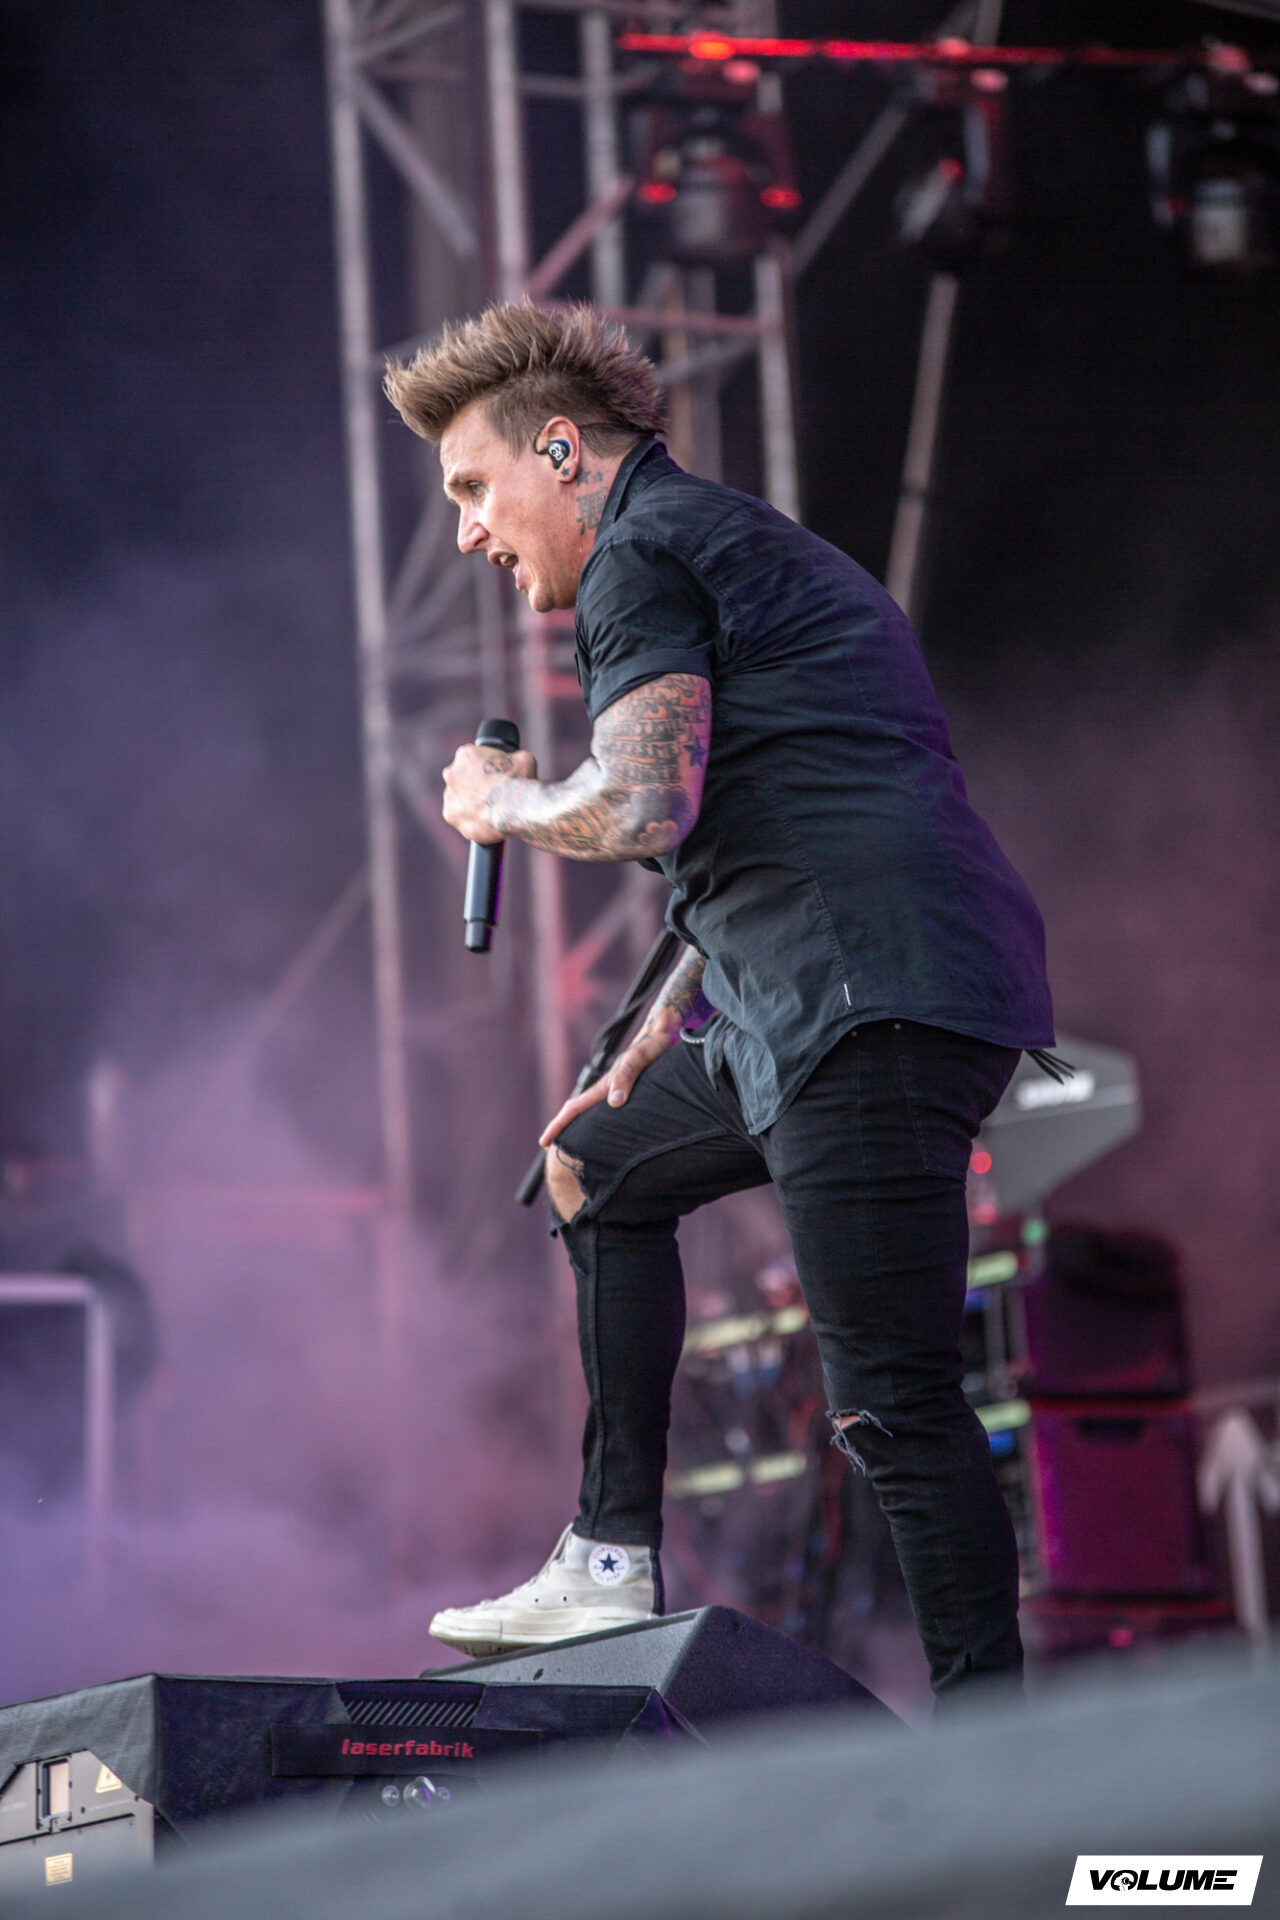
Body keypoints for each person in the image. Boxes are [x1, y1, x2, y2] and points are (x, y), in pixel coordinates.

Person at [383, 302, 1055, 1705]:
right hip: (831, 987)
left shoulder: (641, 552)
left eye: (473, 487)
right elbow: (778, 799)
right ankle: (607, 1553)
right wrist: (653, 1030)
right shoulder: (722, 542)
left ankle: (997, 1748)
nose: (466, 534)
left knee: (893, 1402)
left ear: (559, 450)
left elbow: (646, 802)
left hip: (864, 998)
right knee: (594, 1162)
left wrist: (501, 806)